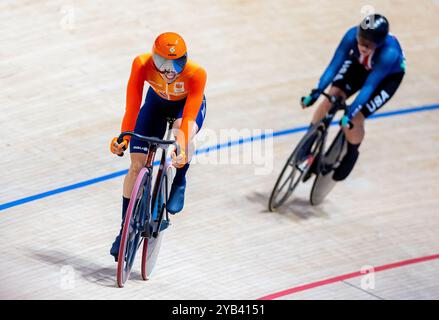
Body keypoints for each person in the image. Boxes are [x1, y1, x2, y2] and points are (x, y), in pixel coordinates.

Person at [109, 32, 207, 261]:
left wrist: (180, 147)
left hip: (186, 110)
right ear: (153, 59)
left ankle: (180, 179)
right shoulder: (141, 64)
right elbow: (132, 106)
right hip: (156, 105)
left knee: (182, 131)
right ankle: (125, 229)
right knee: (136, 165)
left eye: (178, 63)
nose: (170, 70)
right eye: (163, 63)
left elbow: (190, 117)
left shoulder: (197, 73)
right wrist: (124, 137)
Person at [301, 14, 405, 181]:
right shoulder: (351, 35)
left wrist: (350, 113)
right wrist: (317, 90)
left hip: (385, 79)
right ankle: (308, 140)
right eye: (361, 39)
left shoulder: (389, 53)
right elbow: (334, 66)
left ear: (379, 43)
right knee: (331, 98)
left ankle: (351, 153)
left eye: (368, 44)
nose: (362, 46)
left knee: (355, 119)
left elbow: (369, 87)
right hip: (359, 65)